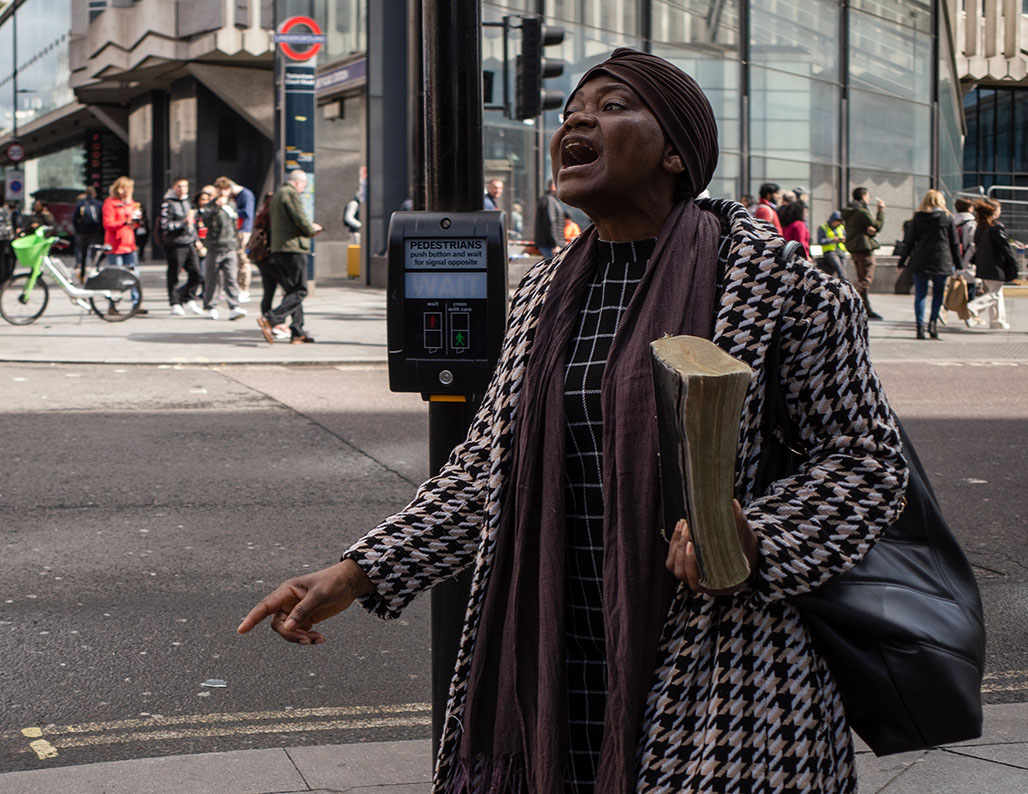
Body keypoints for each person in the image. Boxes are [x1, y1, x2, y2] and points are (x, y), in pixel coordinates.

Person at [239, 49, 907, 794]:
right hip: (560, 651)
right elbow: (485, 470)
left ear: (679, 153)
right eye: (571, 111)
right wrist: (362, 570)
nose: (580, 119)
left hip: (724, 660)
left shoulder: (780, 288)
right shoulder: (544, 294)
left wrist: (757, 535)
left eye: (615, 105)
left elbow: (865, 463)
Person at [256, 169, 322, 344]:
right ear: (298, 182)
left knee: (293, 290)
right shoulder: (290, 194)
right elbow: (298, 217)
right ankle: (271, 318)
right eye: (304, 186)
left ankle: (297, 331)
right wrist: (311, 230)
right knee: (300, 290)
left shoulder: (277, 195)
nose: (303, 190)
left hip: (280, 248)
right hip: (293, 247)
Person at [896, 189, 961, 340]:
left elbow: (909, 242)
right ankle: (933, 325)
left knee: (920, 294)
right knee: (938, 294)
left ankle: (920, 328)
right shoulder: (947, 218)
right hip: (941, 259)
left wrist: (902, 260)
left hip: (921, 259)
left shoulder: (918, 217)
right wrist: (958, 264)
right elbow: (954, 243)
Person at [968, 198, 1019, 330]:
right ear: (993, 211)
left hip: (983, 265)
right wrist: (1014, 265)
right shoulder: (996, 228)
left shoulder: (981, 227)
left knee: (997, 293)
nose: (1000, 211)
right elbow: (1005, 249)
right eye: (999, 209)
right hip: (995, 266)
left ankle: (997, 321)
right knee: (994, 294)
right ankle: (974, 306)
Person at [201, 181, 248, 321]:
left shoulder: (232, 205)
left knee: (231, 278)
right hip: (214, 247)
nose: (222, 192)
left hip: (230, 246)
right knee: (212, 279)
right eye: (220, 189)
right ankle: (211, 306)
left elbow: (235, 224)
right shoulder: (210, 206)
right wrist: (216, 208)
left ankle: (234, 306)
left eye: (225, 189)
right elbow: (205, 220)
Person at [102, 176, 147, 314]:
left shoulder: (131, 203)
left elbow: (133, 224)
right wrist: (124, 222)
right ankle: (112, 305)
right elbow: (108, 224)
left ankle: (136, 303)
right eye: (123, 189)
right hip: (115, 245)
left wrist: (137, 222)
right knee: (116, 277)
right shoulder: (110, 204)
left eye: (128, 189)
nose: (125, 192)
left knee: (135, 274)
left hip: (129, 244)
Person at [159, 178, 203, 315]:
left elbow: (192, 224)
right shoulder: (168, 203)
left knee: (196, 272)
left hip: (189, 242)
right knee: (174, 274)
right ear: (174, 187)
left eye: (185, 186)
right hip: (175, 244)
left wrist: (196, 239)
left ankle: (189, 298)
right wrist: (183, 223)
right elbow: (165, 225)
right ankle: (174, 302)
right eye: (179, 186)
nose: (182, 189)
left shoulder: (188, 202)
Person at [841, 186, 885, 320]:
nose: (869, 198)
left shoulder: (849, 211)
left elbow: (870, 228)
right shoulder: (862, 211)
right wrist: (880, 211)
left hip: (855, 249)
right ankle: (845, 298)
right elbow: (876, 226)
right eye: (868, 196)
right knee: (865, 281)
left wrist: (869, 229)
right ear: (863, 196)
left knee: (862, 280)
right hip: (864, 249)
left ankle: (866, 309)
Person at [215, 177, 256, 303]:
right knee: (237, 261)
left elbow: (247, 213)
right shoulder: (236, 197)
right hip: (235, 231)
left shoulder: (246, 195)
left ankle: (244, 289)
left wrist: (229, 208)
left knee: (243, 259)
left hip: (243, 230)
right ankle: (238, 288)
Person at [73, 187, 105, 281]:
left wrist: (78, 230)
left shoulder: (81, 204)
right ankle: (96, 272)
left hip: (83, 233)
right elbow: (102, 219)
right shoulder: (99, 204)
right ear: (94, 194)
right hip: (96, 232)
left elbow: (74, 219)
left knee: (83, 255)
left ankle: (83, 274)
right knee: (95, 254)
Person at [952, 197, 978, 302]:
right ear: (970, 208)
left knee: (953, 287)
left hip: (953, 259)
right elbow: (972, 244)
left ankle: (946, 307)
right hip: (968, 260)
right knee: (970, 288)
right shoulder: (972, 224)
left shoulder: (952, 222)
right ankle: (969, 313)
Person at [534, 179, 565, 259]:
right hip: (549, 244)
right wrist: (555, 244)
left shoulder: (552, 199)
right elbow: (550, 222)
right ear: (553, 186)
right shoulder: (549, 200)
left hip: (549, 244)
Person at [816, 210, 848, 281]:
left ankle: (843, 282)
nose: (837, 224)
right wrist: (832, 240)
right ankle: (845, 282)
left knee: (842, 269)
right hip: (830, 251)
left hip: (841, 251)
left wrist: (843, 239)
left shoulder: (841, 228)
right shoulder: (823, 227)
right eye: (835, 222)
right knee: (840, 269)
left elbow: (846, 238)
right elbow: (820, 241)